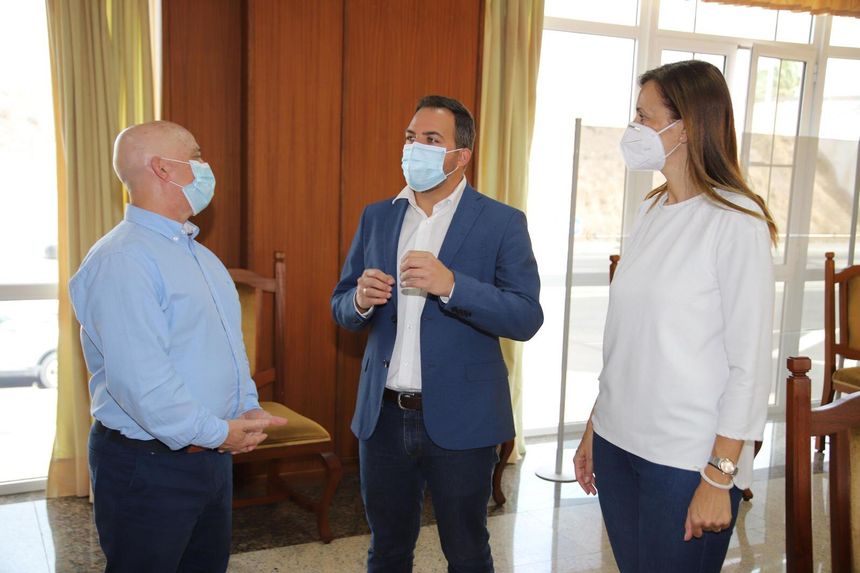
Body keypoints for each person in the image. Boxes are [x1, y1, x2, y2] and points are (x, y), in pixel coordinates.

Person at [573, 60, 777, 573]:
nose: (634, 128)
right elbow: (631, 339)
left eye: (644, 116)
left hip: (685, 461)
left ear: (684, 127)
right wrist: (596, 425)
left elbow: (750, 365)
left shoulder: (737, 221)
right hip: (619, 443)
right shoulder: (652, 209)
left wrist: (719, 475)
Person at [332, 95, 543, 572]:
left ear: (460, 155)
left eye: (431, 139)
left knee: (467, 553)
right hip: (383, 418)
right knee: (386, 551)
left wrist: (453, 286)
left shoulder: (501, 222)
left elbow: (526, 316)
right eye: (411, 137)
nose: (415, 148)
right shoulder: (377, 216)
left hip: (463, 420)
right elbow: (341, 304)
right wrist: (359, 300)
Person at [69, 121, 286, 573]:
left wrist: (245, 407)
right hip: (149, 466)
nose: (206, 166)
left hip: (210, 456)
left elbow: (226, 348)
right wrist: (217, 433)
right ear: (163, 169)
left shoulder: (200, 255)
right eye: (197, 155)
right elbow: (142, 383)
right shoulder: (123, 259)